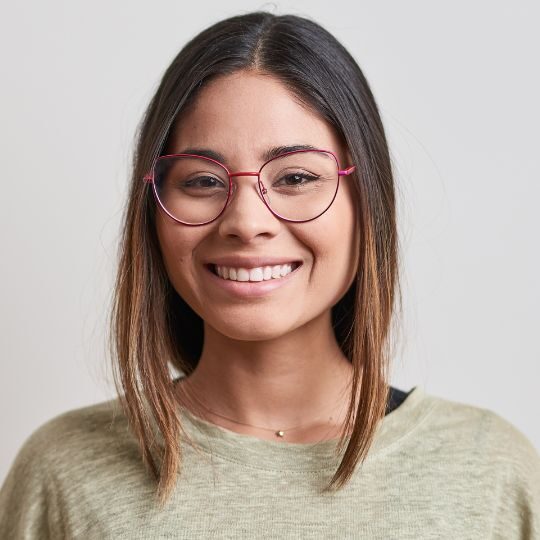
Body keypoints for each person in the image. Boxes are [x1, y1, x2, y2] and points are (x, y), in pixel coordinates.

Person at [1, 11, 538, 539]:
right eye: (203, 181)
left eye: (297, 176)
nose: (246, 222)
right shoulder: (63, 472)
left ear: (367, 200)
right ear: (154, 212)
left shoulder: (491, 472)